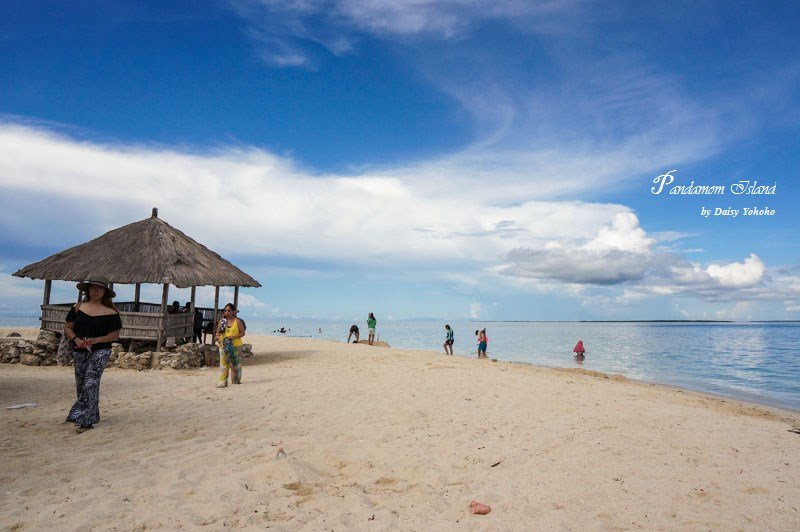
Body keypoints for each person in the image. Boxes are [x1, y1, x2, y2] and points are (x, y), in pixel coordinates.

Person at [63, 278, 122, 433]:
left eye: (99, 288)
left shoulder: (111, 313)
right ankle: (85, 414)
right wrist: (76, 339)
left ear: (105, 292)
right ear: (87, 290)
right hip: (79, 349)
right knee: (82, 384)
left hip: (101, 350)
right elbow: (68, 328)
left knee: (91, 382)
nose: (95, 291)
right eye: (92, 288)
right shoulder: (78, 307)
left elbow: (115, 335)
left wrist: (96, 340)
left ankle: (87, 420)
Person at [214, 303, 245, 388]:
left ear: (233, 312)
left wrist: (233, 337)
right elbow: (218, 333)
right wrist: (217, 337)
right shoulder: (222, 321)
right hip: (223, 346)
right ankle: (222, 383)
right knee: (223, 365)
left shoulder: (237, 321)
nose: (227, 312)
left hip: (236, 346)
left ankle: (236, 381)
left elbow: (242, 333)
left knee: (235, 365)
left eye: (229, 310)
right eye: (225, 310)